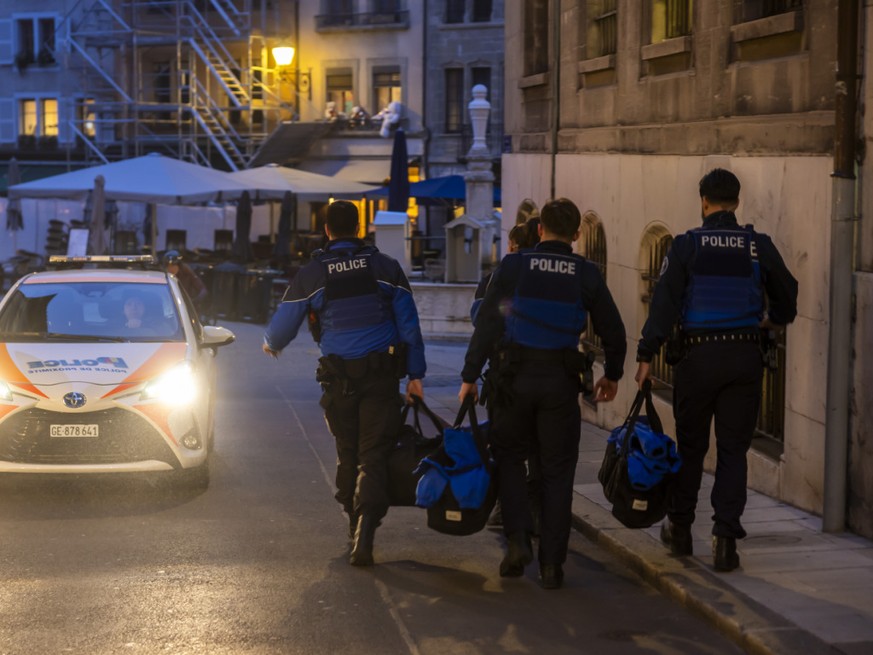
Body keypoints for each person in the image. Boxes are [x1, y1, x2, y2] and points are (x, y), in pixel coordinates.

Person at [634, 168, 798, 572]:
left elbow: (664, 304)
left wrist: (646, 354)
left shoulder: (687, 245)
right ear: (737, 203)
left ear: (703, 202)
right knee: (733, 451)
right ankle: (725, 542)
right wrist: (773, 321)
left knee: (691, 448)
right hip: (744, 357)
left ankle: (680, 529)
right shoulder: (757, 245)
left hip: (698, 359)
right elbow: (788, 292)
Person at [458, 198, 627, 589]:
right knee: (557, 471)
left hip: (513, 380)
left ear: (539, 230)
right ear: (577, 234)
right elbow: (613, 329)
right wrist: (613, 374)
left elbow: (488, 322)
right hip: (559, 384)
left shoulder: (515, 265)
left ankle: (518, 541)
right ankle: (552, 565)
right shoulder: (585, 272)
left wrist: (469, 375)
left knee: (510, 458)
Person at [263, 200, 426, 567]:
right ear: (360, 228)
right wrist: (416, 375)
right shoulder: (386, 267)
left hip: (339, 382)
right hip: (381, 378)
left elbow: (284, 322)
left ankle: (354, 523)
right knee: (373, 453)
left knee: (348, 451)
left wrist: (272, 343)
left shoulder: (313, 273)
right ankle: (365, 530)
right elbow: (409, 325)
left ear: (326, 231)